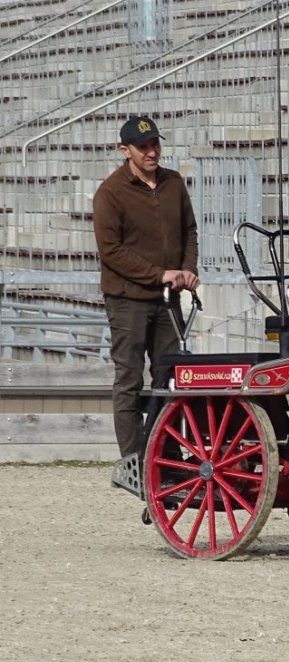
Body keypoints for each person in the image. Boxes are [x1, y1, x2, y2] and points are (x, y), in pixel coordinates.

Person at [92, 116, 200, 463]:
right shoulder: (110, 193)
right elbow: (111, 252)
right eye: (143, 147)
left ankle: (167, 457)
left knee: (169, 377)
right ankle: (133, 461)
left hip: (168, 299)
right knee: (129, 378)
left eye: (155, 143)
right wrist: (159, 274)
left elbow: (190, 231)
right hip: (127, 300)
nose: (152, 151)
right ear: (125, 151)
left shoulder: (173, 183)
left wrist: (187, 270)